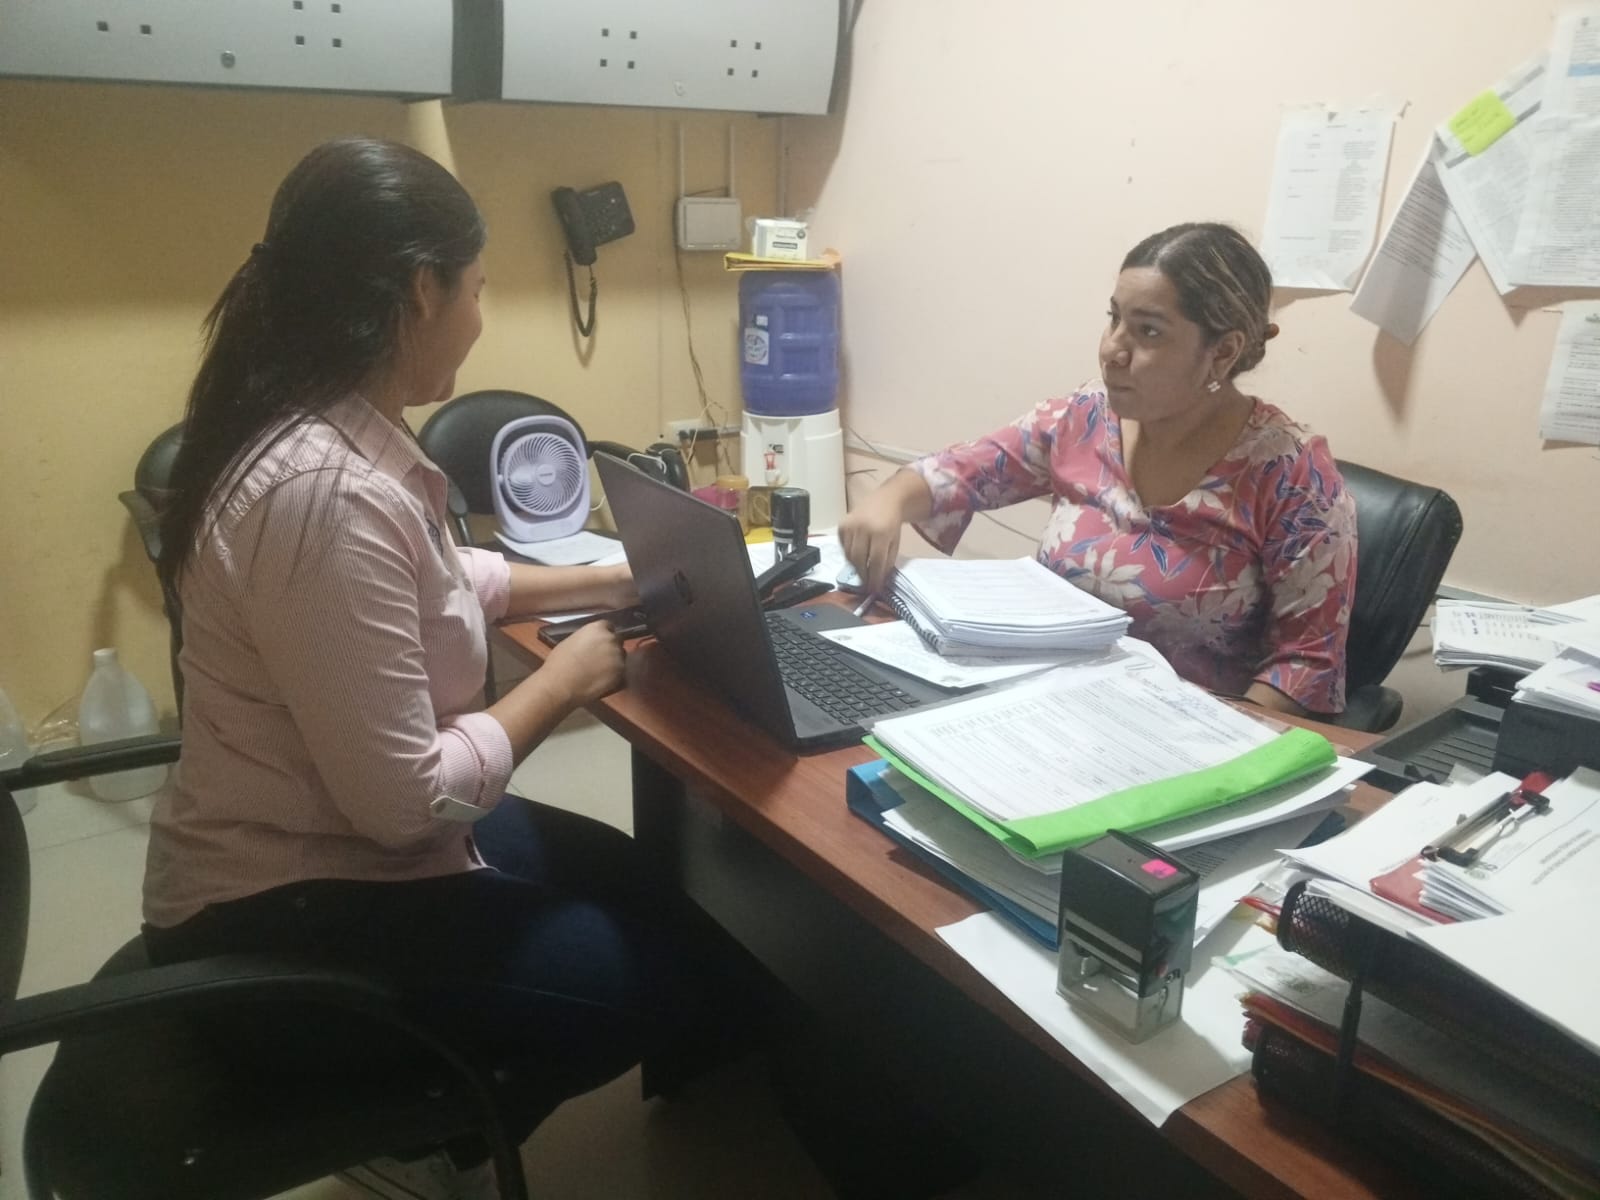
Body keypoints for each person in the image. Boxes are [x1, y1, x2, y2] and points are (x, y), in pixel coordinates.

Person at [144, 137, 753, 1200]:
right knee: (663, 981)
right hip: (281, 917)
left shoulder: (319, 429)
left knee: (640, 881)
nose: (480, 314)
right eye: (476, 288)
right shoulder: (321, 495)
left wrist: (618, 574)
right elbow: (405, 804)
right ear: (420, 291)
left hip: (323, 838)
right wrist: (564, 682)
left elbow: (435, 579)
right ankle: (427, 1141)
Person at [840, 222, 1357, 716]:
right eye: (1114, 319)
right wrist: (887, 502)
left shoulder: (1292, 476)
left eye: (1148, 332)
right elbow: (960, 471)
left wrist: (1226, 746)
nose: (1112, 350)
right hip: (1037, 705)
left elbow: (1304, 665)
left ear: (1222, 352)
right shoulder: (1085, 417)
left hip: (1184, 738)